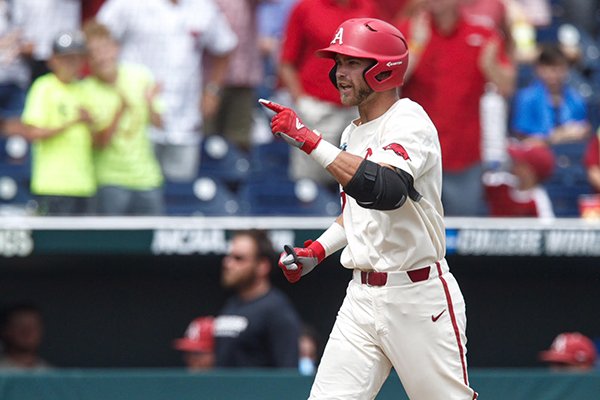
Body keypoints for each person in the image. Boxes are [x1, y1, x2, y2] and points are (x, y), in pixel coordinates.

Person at [260, 18, 478, 399]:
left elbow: (386, 190)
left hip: (417, 294)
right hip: (361, 297)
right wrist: (317, 250)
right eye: (338, 63)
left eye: (351, 63)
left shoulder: (410, 120)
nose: (339, 73)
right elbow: (358, 215)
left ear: (383, 69)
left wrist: (309, 140)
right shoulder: (352, 132)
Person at [97, 0, 237, 182]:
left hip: (185, 118)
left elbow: (225, 46)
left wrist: (213, 90)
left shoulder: (203, 6)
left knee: (180, 195)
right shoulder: (126, 4)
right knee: (137, 188)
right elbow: (97, 39)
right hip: (135, 118)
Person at [398, 0, 516, 216]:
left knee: (462, 233)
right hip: (415, 156)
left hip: (463, 157)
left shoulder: (481, 33)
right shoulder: (410, 30)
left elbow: (507, 86)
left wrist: (490, 67)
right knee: (414, 235)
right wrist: (415, 47)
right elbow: (390, 82)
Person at [278, 0, 378, 187]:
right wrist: (302, 101)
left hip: (358, 108)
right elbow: (287, 61)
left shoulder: (367, 7)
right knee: (310, 182)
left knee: (361, 180)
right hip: (318, 107)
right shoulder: (306, 8)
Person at [80, 21, 164, 215]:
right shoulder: (85, 90)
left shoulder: (140, 76)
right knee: (111, 244)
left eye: (104, 49)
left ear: (116, 48)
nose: (101, 57)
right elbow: (99, 143)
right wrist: (120, 111)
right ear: (87, 60)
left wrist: (151, 104)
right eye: (93, 53)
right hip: (110, 180)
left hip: (147, 178)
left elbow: (159, 124)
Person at [20, 30, 95, 216]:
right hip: (53, 184)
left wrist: (91, 123)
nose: (72, 64)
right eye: (66, 59)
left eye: (77, 58)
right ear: (53, 60)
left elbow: (97, 140)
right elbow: (32, 133)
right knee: (55, 243)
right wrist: (72, 122)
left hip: (85, 184)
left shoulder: (86, 88)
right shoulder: (44, 87)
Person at [214, 229, 301, 368]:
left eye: (238, 258)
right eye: (229, 257)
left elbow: (288, 373)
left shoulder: (277, 311)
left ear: (262, 266)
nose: (228, 263)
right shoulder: (230, 305)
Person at [203, 0, 265, 152]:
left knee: (239, 145)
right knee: (205, 143)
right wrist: (212, 89)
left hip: (242, 77)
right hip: (204, 80)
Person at [511, 43, 591, 145]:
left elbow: (582, 130)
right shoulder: (526, 98)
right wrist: (554, 136)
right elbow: (522, 136)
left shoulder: (576, 99)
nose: (554, 74)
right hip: (536, 156)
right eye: (549, 69)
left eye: (559, 68)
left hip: (570, 154)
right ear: (538, 69)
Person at [483, 140, 555, 217]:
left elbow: (547, 225)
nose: (515, 164)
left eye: (521, 163)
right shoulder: (502, 183)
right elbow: (478, 182)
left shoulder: (539, 200)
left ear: (531, 173)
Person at [0, 303, 52, 370]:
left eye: (33, 326)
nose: (27, 331)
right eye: (19, 325)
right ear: (5, 330)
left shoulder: (50, 373)